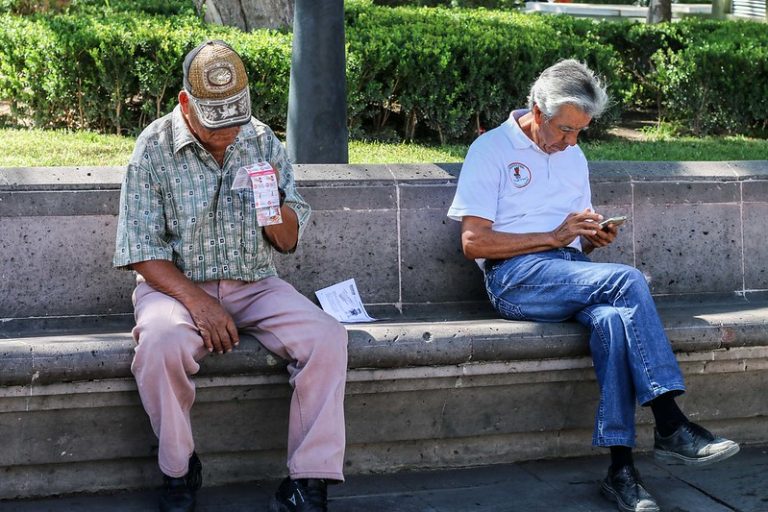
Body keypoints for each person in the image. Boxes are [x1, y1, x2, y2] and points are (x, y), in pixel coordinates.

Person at [447, 59, 739, 512]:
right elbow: (473, 243)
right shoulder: (490, 150)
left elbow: (574, 248)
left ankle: (621, 471)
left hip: (568, 272)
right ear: (537, 111)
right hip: (514, 279)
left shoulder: (573, 157)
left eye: (580, 131)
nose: (570, 142)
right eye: (564, 129)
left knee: (612, 321)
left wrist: (591, 239)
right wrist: (553, 237)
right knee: (628, 280)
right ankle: (669, 421)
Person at [113, 40, 347, 512]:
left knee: (328, 338)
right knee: (161, 344)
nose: (227, 135)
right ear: (185, 103)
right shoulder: (153, 148)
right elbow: (140, 251)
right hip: (175, 288)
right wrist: (200, 305)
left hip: (256, 283)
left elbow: (286, 241)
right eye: (214, 123)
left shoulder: (261, 139)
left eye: (234, 121)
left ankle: (307, 481)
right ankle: (178, 470)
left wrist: (272, 208)